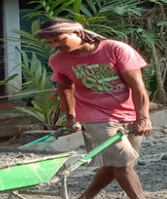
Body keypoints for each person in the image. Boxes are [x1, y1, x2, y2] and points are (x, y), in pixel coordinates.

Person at [36, 18, 152, 199]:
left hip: (127, 112)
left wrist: (143, 118)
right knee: (123, 162)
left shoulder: (115, 49)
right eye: (50, 42)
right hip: (94, 116)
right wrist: (71, 116)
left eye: (60, 39)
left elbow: (138, 87)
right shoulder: (58, 60)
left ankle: (86, 197)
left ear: (79, 34)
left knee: (119, 163)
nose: (55, 45)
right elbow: (65, 88)